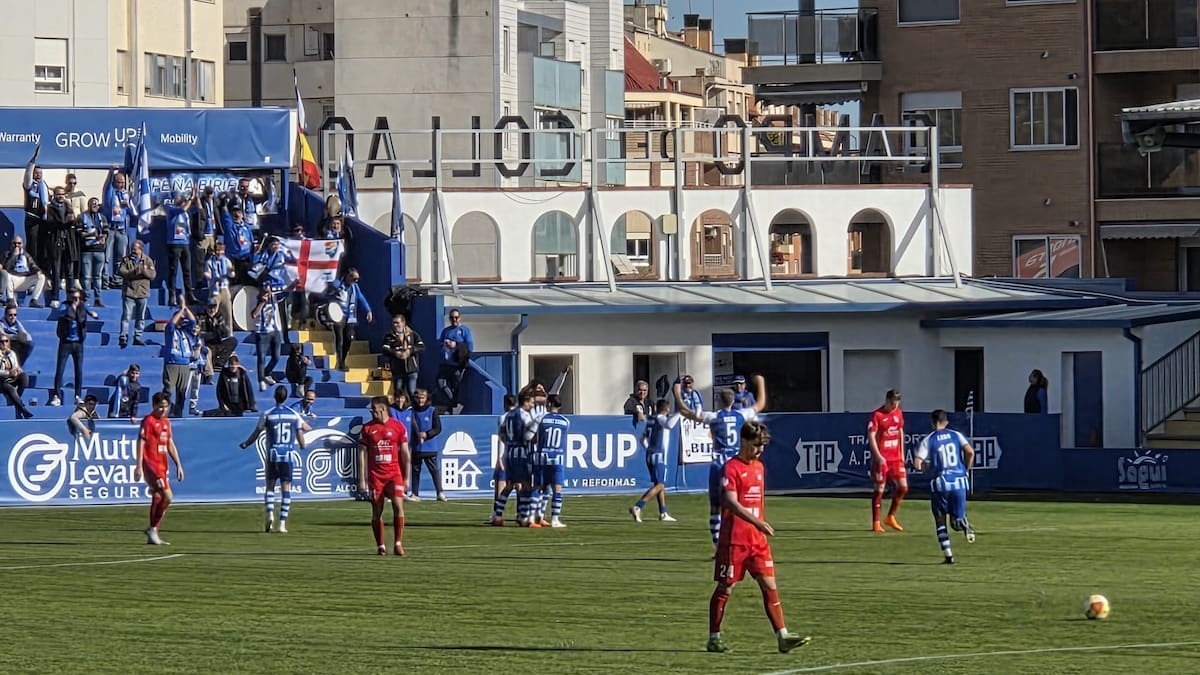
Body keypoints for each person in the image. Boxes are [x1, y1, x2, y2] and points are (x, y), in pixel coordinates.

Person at [707, 420, 810, 655]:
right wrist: (757, 522)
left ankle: (782, 636)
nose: (759, 451)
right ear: (743, 441)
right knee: (726, 587)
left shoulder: (759, 467)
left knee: (769, 584)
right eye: (755, 446)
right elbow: (730, 501)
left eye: (762, 447)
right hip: (734, 540)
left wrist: (758, 526)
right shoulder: (731, 468)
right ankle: (714, 637)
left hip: (757, 542)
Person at [677, 374, 768, 549]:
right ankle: (739, 540)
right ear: (733, 401)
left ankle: (718, 545)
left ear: (719, 401)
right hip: (736, 463)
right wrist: (761, 383)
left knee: (715, 507)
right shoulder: (742, 414)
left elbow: (685, 412)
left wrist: (677, 394)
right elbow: (760, 404)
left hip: (719, 463)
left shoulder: (713, 417)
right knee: (738, 504)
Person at [240, 386, 312, 534]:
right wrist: (304, 443)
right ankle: (282, 524)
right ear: (286, 397)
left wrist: (246, 443)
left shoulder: (267, 414)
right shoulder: (293, 414)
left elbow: (256, 432)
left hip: (272, 456)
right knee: (286, 489)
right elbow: (301, 438)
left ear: (274, 396)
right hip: (287, 455)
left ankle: (270, 513)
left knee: (270, 487)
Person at [914, 409, 977, 564]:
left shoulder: (929, 440)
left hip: (940, 484)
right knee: (956, 522)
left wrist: (928, 468)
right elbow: (970, 452)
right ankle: (962, 523)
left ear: (932, 422)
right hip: (959, 482)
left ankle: (948, 555)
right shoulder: (956, 435)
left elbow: (917, 464)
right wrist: (965, 470)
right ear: (946, 421)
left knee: (940, 521)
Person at [358, 395, 411, 556]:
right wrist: (362, 479)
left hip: (394, 474)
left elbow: (405, 454)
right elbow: (361, 453)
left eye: (373, 409)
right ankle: (380, 545)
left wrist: (406, 477)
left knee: (398, 506)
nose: (371, 412)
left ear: (382, 409)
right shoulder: (367, 429)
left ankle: (398, 543)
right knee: (377, 511)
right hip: (376, 476)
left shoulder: (398, 427)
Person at [133, 392, 185, 546]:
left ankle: (152, 533)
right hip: (151, 464)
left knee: (157, 495)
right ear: (154, 406)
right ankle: (153, 528)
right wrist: (138, 466)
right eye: (160, 407)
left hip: (162, 465)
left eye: (165, 407)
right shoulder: (149, 421)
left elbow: (170, 443)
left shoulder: (166, 423)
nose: (163, 410)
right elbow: (141, 442)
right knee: (168, 496)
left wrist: (178, 464)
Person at [630, 398, 680, 523]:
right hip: (659, 455)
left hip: (650, 455)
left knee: (659, 484)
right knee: (661, 484)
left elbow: (642, 439)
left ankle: (663, 512)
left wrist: (649, 449)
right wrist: (680, 413)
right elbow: (669, 424)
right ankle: (638, 506)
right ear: (667, 409)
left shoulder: (651, 420)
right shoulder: (661, 418)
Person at [493, 391, 537, 527]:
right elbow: (528, 436)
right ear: (525, 401)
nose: (533, 404)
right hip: (520, 452)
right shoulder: (523, 415)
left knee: (510, 485)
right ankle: (523, 517)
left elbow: (501, 434)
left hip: (509, 452)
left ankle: (497, 515)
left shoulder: (508, 416)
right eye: (531, 402)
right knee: (526, 485)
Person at [48, 289, 97, 407]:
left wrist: (92, 314)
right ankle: (57, 396)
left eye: (78, 298)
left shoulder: (83, 307)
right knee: (60, 369)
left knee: (78, 371)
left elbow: (92, 313)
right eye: (74, 298)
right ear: (70, 298)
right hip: (66, 342)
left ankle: (78, 396)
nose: (76, 300)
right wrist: (71, 307)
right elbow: (57, 313)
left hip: (78, 343)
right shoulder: (65, 306)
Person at [868, 389, 908, 533]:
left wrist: (902, 453)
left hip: (896, 458)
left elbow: (900, 431)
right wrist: (878, 456)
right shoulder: (877, 415)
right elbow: (871, 435)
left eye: (896, 404)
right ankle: (876, 522)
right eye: (892, 403)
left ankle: (890, 517)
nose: (894, 407)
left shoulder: (898, 413)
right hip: (883, 459)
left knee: (903, 487)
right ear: (886, 400)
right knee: (879, 489)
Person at [532, 394, 569, 528]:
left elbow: (535, 438)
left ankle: (534, 516)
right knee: (557, 490)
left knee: (539, 488)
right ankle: (554, 519)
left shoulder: (541, 418)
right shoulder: (565, 421)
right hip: (557, 457)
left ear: (549, 404)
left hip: (542, 457)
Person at [327, 268, 372, 371]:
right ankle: (340, 362)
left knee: (349, 338)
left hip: (350, 316)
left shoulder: (355, 287)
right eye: (354, 278)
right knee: (339, 339)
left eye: (357, 279)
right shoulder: (338, 284)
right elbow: (328, 294)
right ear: (348, 276)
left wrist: (368, 310)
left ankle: (343, 357)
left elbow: (361, 298)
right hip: (338, 314)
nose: (355, 281)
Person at [407, 388, 444, 502]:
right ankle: (414, 493)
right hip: (416, 447)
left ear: (427, 398)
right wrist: (416, 437)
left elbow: (438, 428)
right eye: (418, 398)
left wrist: (427, 434)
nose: (420, 400)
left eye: (422, 398)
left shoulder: (432, 411)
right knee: (415, 470)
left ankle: (440, 492)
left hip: (430, 446)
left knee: (434, 470)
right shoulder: (411, 411)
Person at [117, 239, 156, 348]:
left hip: (142, 292)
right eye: (132, 249)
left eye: (135, 249)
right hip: (129, 291)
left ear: (141, 249)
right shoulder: (126, 260)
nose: (133, 251)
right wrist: (134, 271)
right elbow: (121, 272)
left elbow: (152, 275)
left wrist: (144, 271)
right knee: (126, 316)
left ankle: (137, 337)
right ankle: (123, 336)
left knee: (140, 317)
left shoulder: (148, 261)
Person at [102, 166, 137, 287]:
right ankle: (105, 280)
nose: (121, 184)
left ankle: (117, 280)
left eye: (122, 182)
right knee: (106, 257)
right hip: (110, 229)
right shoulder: (109, 193)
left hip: (121, 230)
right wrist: (112, 172)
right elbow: (107, 184)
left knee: (121, 257)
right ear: (114, 182)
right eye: (118, 182)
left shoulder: (125, 195)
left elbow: (133, 212)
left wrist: (128, 203)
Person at [162, 298, 196, 417]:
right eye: (180, 319)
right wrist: (180, 311)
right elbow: (171, 323)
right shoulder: (170, 331)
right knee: (168, 391)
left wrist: (186, 309)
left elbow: (193, 322)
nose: (182, 321)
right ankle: (165, 412)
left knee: (182, 393)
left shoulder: (185, 332)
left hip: (185, 364)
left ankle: (178, 413)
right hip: (172, 364)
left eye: (182, 319)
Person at [164, 191, 200, 305]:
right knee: (173, 271)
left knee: (187, 271)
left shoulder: (186, 212)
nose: (182, 200)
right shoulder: (171, 209)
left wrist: (196, 199)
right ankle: (172, 296)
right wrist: (191, 199)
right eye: (180, 198)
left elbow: (199, 210)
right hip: (174, 244)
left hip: (185, 243)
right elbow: (183, 209)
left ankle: (190, 295)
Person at [487, 394, 517, 526]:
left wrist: (499, 458)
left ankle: (496, 514)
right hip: (518, 455)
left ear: (504, 404)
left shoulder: (503, 418)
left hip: (506, 455)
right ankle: (522, 514)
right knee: (519, 485)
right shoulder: (522, 417)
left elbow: (501, 439)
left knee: (501, 485)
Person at [436, 308, 473, 410]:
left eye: (456, 317)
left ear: (460, 318)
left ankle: (453, 405)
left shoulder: (465, 330)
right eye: (452, 318)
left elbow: (469, 347)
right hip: (445, 363)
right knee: (441, 383)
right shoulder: (446, 331)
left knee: (456, 387)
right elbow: (439, 344)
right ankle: (452, 402)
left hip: (457, 364)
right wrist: (444, 344)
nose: (454, 320)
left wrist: (456, 345)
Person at [382, 313, 424, 402]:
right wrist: (395, 353)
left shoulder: (413, 334)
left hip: (411, 368)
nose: (395, 325)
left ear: (403, 323)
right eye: (393, 323)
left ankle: (413, 411)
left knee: (412, 392)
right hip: (397, 369)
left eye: (397, 323)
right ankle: (399, 412)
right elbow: (385, 349)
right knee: (398, 392)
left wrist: (410, 351)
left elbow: (421, 347)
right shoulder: (389, 336)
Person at [250, 285, 283, 390]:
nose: (267, 295)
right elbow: (254, 315)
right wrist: (262, 302)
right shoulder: (255, 299)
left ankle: (267, 372)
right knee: (262, 357)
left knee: (276, 356)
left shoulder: (273, 297)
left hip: (275, 330)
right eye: (265, 292)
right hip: (262, 332)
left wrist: (294, 284)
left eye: (268, 292)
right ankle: (261, 380)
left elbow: (286, 292)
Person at [77, 198, 109, 307]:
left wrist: (103, 237)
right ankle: (86, 299)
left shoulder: (102, 217)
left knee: (97, 276)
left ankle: (97, 299)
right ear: (88, 205)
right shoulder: (82, 217)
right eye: (92, 205)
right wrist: (89, 235)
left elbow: (106, 230)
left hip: (99, 251)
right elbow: (78, 232)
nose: (94, 207)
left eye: (96, 205)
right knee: (86, 277)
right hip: (86, 251)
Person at [1, 236, 47, 308]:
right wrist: (14, 256)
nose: (17, 245)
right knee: (6, 274)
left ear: (22, 244)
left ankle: (33, 300)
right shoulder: (7, 254)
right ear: (11, 244)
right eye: (15, 243)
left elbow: (33, 265)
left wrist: (37, 271)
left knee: (41, 277)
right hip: (13, 279)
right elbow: (6, 267)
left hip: (25, 279)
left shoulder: (26, 255)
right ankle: (10, 299)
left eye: (19, 243)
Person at [22, 149, 48, 271]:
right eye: (36, 173)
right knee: (32, 246)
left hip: (42, 221)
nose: (38, 175)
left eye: (40, 174)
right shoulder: (29, 185)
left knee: (42, 246)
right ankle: (31, 269)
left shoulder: (44, 186)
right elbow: (27, 173)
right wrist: (33, 160)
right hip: (31, 219)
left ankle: (41, 270)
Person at [203, 239, 235, 330]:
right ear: (214, 251)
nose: (220, 253)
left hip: (224, 288)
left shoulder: (226, 261)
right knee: (212, 311)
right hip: (214, 289)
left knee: (227, 311)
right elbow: (206, 273)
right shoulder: (209, 262)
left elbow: (231, 274)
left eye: (221, 251)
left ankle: (229, 332)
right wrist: (211, 278)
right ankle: (211, 330)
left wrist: (231, 271)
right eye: (218, 251)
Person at [0, 335, 33, 419]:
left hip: (11, 378)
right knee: (10, 388)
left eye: (6, 341)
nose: (4, 343)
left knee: (24, 377)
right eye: (2, 341)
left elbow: (15, 366)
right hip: (1, 381)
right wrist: (8, 373)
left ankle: (14, 400)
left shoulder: (11, 353)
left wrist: (17, 371)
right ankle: (22, 409)